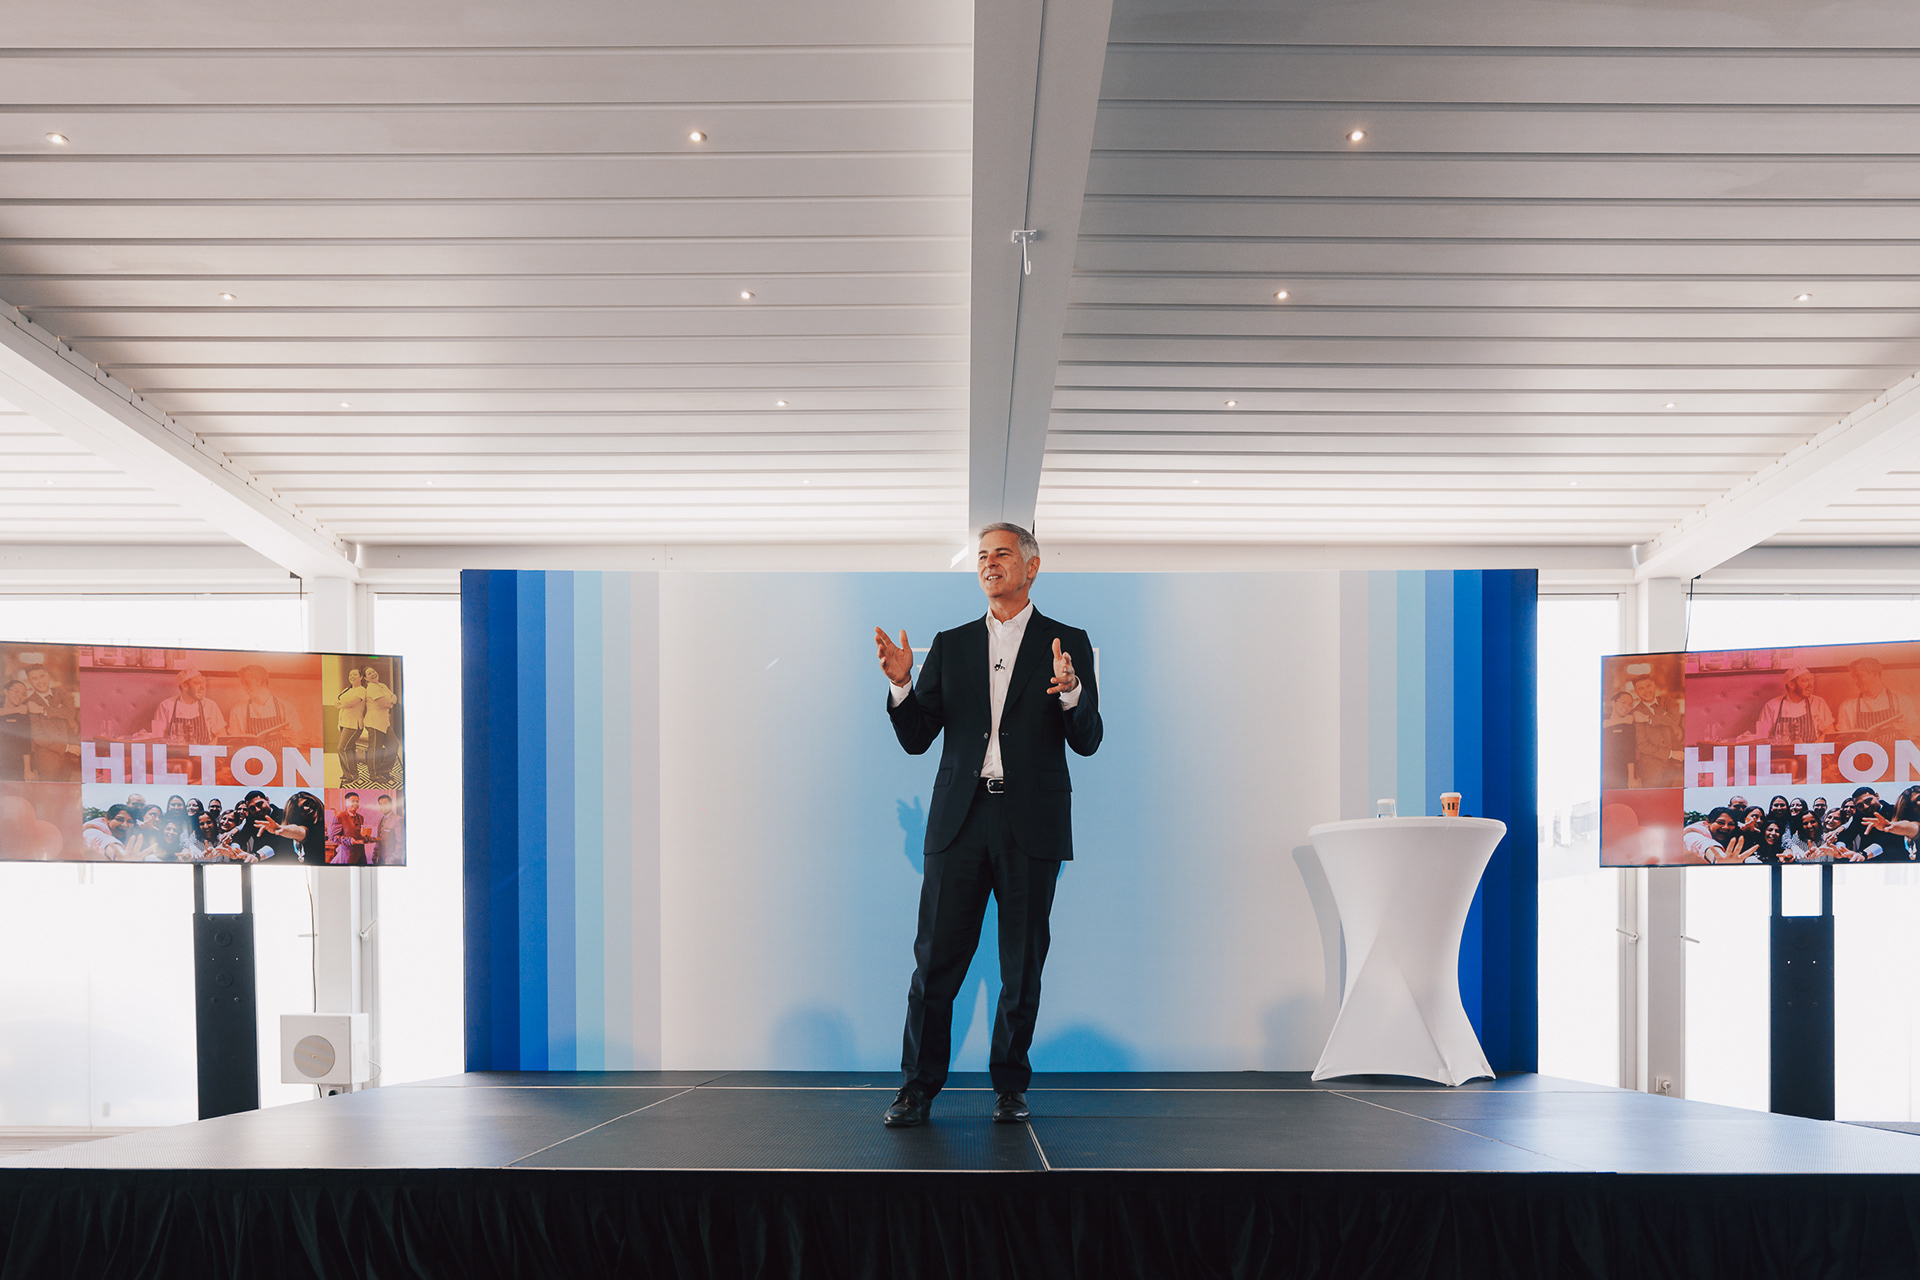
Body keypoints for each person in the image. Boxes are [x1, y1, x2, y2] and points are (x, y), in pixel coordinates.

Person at [875, 522, 1102, 1129]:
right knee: (934, 963)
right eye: (982, 556)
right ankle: (917, 1088)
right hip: (960, 821)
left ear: (1032, 566)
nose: (989, 563)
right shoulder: (950, 645)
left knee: (1021, 966)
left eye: (1002, 553)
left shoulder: (1067, 643)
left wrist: (1071, 692)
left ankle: (1009, 1087)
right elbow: (917, 737)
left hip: (1031, 824)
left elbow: (1089, 740)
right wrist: (901, 683)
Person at [1837, 657, 1920, 737]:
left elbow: (1914, 734)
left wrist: (1908, 730)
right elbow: (1844, 740)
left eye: (1858, 676)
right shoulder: (1847, 706)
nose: (1854, 682)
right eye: (1853, 677)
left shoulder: (1901, 700)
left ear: (1875, 675)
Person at [1749, 667, 1834, 744]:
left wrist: (1812, 749)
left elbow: (1829, 732)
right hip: (1781, 754)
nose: (1810, 685)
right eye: (1805, 681)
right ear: (1791, 685)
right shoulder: (1771, 706)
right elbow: (1762, 738)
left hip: (1811, 753)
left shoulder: (1818, 702)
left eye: (1811, 680)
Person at [23, 666, 78, 782]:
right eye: (34, 678)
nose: (40, 681)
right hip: (46, 761)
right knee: (48, 792)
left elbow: (70, 712)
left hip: (66, 759)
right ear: (29, 682)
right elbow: (38, 736)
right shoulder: (30, 703)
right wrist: (67, 747)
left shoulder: (60, 693)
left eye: (42, 676)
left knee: (66, 790)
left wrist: (43, 710)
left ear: (48, 676)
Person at [144, 668, 227, 744]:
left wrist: (206, 752)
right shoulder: (165, 706)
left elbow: (222, 735)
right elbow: (157, 738)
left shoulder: (210, 705)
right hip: (176, 755)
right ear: (184, 686)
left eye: (203, 683)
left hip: (205, 753)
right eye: (197, 683)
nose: (203, 687)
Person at [226, 665, 301, 748]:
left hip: (278, 756)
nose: (244, 687)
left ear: (262, 682)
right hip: (250, 756)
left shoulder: (286, 708)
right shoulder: (238, 710)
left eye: (247, 683)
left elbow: (299, 741)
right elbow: (234, 744)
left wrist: (292, 736)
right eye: (242, 684)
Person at [1630, 675, 1683, 788]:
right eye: (1641, 688)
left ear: (1654, 685)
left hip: (1671, 768)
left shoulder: (1666, 701)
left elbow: (1675, 719)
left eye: (1648, 686)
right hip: (1650, 770)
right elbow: (1643, 745)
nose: (1646, 691)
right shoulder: (1636, 713)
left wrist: (1648, 718)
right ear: (1636, 691)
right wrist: (1670, 754)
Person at [360, 666, 398, 785]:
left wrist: (390, 701)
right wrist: (390, 702)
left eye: (373, 671)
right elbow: (387, 704)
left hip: (384, 722)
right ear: (366, 678)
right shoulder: (371, 688)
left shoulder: (382, 686)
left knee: (393, 745)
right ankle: (374, 775)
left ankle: (384, 771)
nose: (373, 674)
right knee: (375, 750)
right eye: (369, 673)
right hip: (374, 723)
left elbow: (395, 698)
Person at [335, 666, 369, 784]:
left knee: (342, 748)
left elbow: (352, 702)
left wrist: (343, 704)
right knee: (349, 749)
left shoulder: (361, 690)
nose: (352, 676)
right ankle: (348, 774)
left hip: (353, 724)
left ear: (361, 677)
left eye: (355, 674)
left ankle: (352, 776)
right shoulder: (346, 690)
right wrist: (343, 703)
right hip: (343, 723)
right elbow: (337, 702)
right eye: (350, 675)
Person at [1602, 689, 1639, 788]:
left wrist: (1631, 777)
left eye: (1630, 705)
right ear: (1613, 703)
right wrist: (1623, 720)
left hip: (1620, 772)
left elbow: (1630, 752)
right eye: (1623, 702)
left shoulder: (1629, 726)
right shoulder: (1603, 717)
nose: (1626, 707)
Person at [327, 792, 373, 865]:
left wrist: (367, 838)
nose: (355, 804)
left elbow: (359, 834)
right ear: (346, 803)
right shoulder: (339, 817)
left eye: (357, 801)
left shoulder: (361, 817)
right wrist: (349, 840)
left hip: (361, 855)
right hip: (348, 856)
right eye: (353, 801)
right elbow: (333, 837)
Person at [0, 679, 32, 782]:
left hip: (15, 763)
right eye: (16, 691)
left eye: (23, 694)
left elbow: (26, 743)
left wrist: (27, 770)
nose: (20, 696)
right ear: (6, 691)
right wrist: (16, 709)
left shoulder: (23, 715)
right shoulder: (18, 710)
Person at [374, 793, 404, 864]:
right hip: (380, 860)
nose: (382, 806)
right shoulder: (380, 820)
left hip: (392, 862)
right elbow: (378, 840)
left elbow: (401, 844)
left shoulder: (398, 819)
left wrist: (390, 860)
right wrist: (374, 856)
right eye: (380, 804)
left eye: (385, 804)